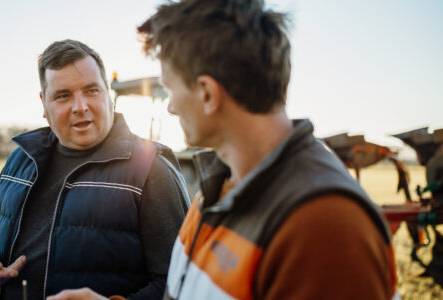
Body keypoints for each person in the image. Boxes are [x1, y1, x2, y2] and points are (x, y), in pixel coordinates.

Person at [137, 0, 397, 299]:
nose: (169, 107)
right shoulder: (215, 186)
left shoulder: (324, 228)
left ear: (207, 93)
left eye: (170, 88)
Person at [0, 39, 189, 300]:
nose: (80, 107)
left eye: (91, 91)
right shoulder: (20, 160)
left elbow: (179, 284)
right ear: (44, 104)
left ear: (108, 94)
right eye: (63, 95)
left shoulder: (151, 167)